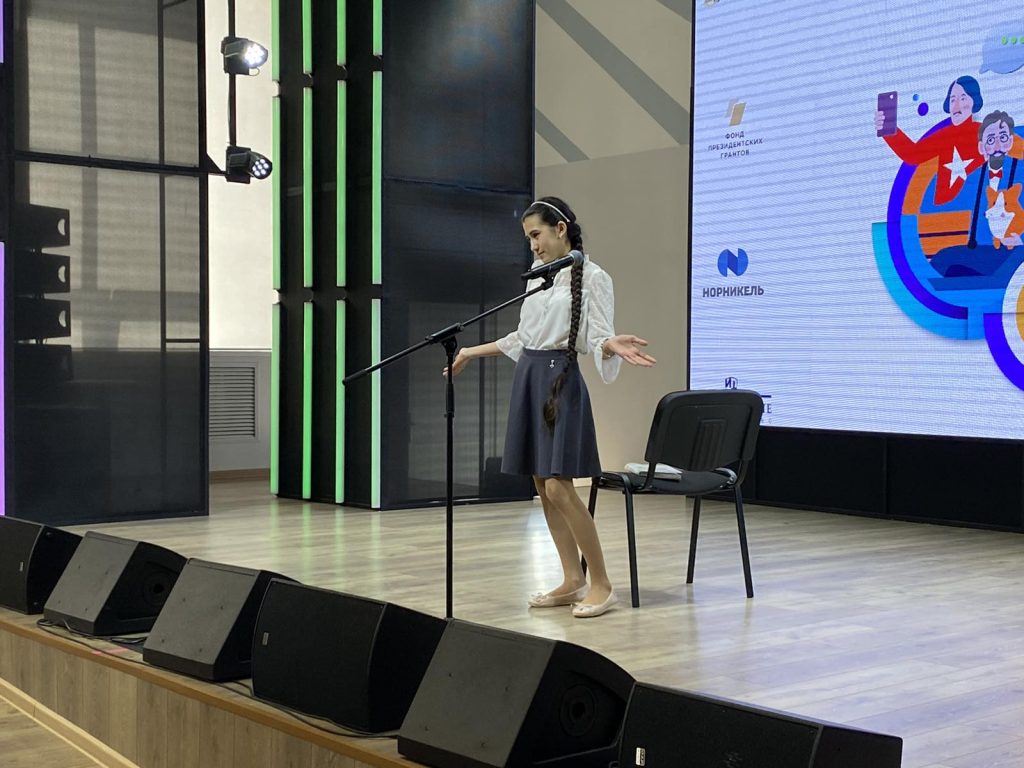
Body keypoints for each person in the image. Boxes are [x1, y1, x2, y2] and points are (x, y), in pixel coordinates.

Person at [444, 196, 656, 618]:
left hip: (560, 380)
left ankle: (601, 583)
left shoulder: (594, 277)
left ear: (561, 229)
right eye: (528, 239)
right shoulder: (538, 279)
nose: (534, 245)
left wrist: (610, 345)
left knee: (559, 485)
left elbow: (598, 335)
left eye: (537, 235)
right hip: (530, 377)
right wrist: (469, 351)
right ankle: (572, 579)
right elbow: (524, 338)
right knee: (542, 486)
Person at [930, 110, 1024, 278]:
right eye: (991, 140)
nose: (997, 145)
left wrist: (1020, 241)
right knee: (941, 260)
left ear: (1010, 141)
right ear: (981, 147)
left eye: (1002, 138)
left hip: (1014, 250)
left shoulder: (1020, 171)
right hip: (982, 251)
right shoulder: (974, 177)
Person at [875, 76, 986, 206]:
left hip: (975, 206)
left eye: (963, 98)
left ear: (974, 101)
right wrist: (887, 129)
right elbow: (913, 155)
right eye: (952, 100)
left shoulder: (985, 133)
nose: (956, 105)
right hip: (943, 209)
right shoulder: (945, 135)